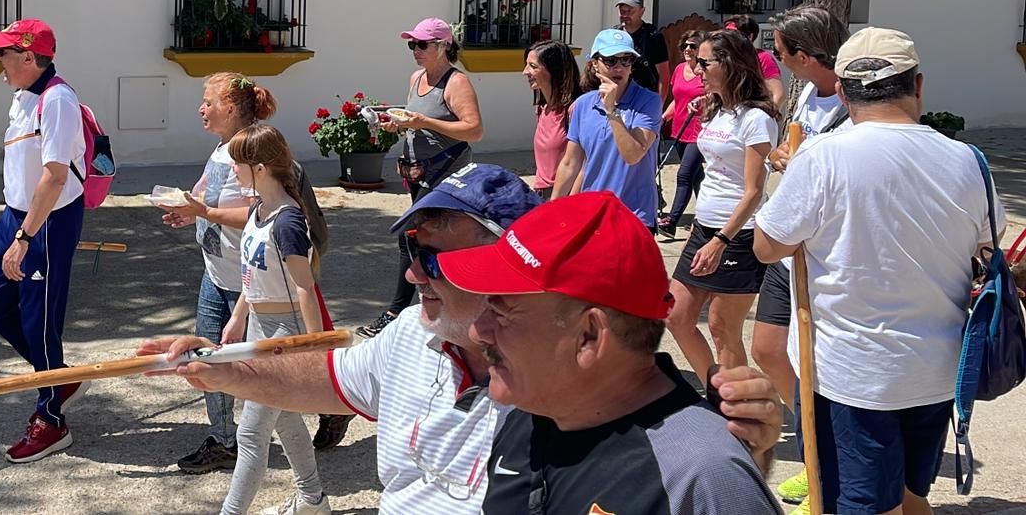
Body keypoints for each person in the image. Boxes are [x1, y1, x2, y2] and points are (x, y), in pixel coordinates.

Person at [140, 163, 785, 515]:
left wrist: (741, 465)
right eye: (413, 252)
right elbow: (333, 379)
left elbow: (692, 470)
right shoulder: (527, 415)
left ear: (588, 335)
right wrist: (214, 367)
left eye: (500, 299)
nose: (415, 274)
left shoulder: (684, 463)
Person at [754, 28, 992, 515]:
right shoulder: (970, 161)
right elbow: (987, 244)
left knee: (865, 505)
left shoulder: (821, 158)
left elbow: (766, 246)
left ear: (842, 91)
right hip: (935, 369)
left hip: (854, 375)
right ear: (918, 86)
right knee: (912, 496)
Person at [441, 192, 785, 515]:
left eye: (502, 313)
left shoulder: (698, 474)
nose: (477, 331)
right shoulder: (526, 411)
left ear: (588, 336)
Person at [154, 73, 277, 474]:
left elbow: (263, 214)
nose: (201, 108)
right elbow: (207, 196)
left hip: (250, 281)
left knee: (274, 366)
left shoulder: (254, 151)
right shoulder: (221, 148)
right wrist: (187, 210)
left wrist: (203, 212)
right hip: (216, 274)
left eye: (208, 102)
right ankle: (225, 440)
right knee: (206, 359)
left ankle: (331, 404)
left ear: (231, 107)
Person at [0, 18, 88, 463]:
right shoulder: (22, 97)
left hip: (48, 220)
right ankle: (57, 377)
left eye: (3, 52)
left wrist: (25, 237)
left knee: (39, 320)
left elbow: (55, 176)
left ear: (28, 56)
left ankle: (50, 419)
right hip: (17, 215)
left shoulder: (57, 99)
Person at [751, 5, 848, 508]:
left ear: (805, 56)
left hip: (819, 252)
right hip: (787, 247)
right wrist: (781, 158)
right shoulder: (807, 92)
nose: (775, 58)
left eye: (780, 51)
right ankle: (814, 453)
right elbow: (793, 150)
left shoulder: (854, 103)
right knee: (768, 349)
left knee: (815, 365)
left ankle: (825, 471)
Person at [218, 123, 328, 515]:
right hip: (258, 328)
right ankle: (313, 500)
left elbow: (304, 287)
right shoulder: (258, 211)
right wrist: (236, 319)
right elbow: (252, 277)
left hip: (283, 336)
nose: (232, 169)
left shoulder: (287, 222)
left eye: (237, 163)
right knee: (285, 422)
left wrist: (315, 351)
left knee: (250, 432)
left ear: (261, 168)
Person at [666, 29, 777, 387]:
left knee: (722, 327)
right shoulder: (716, 109)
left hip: (738, 235)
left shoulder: (756, 119)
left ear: (728, 65)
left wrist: (722, 241)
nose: (696, 68)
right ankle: (720, 393)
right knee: (677, 315)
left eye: (703, 62)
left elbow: (753, 191)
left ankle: (737, 413)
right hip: (705, 227)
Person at [360, 17, 483, 339]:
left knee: (419, 238)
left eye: (422, 44)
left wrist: (424, 122)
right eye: (412, 44)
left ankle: (405, 309)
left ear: (444, 46)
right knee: (417, 238)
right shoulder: (417, 78)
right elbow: (417, 121)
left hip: (444, 176)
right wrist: (398, 124)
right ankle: (430, 307)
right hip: (419, 173)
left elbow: (474, 130)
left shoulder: (456, 83)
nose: (415, 50)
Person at [550, 28, 661, 229]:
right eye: (611, 60)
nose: (619, 67)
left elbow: (633, 154)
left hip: (633, 216)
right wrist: (553, 209)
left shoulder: (648, 101)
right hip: (592, 212)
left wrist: (611, 111)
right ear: (594, 64)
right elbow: (570, 163)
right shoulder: (584, 104)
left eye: (626, 59)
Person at [658, 29, 707, 237]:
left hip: (699, 131)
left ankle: (671, 221)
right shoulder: (679, 69)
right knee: (697, 178)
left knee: (684, 174)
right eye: (685, 45)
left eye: (693, 46)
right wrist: (662, 118)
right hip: (679, 130)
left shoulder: (706, 72)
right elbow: (677, 101)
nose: (688, 49)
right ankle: (706, 218)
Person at [522, 39, 581, 200]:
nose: (525, 72)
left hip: (565, 197)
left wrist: (565, 203)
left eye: (533, 66)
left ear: (554, 70)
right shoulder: (542, 108)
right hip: (543, 195)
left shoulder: (575, 110)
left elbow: (584, 163)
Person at [726, 14, 787, 111]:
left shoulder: (762, 58)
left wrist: (767, 116)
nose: (728, 38)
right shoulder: (726, 58)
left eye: (734, 34)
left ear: (750, 36)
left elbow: (779, 94)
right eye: (727, 33)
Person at [616, 0, 670, 100]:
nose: (625, 15)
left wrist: (658, 105)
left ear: (642, 11)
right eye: (622, 11)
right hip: (618, 96)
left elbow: (664, 76)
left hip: (644, 97)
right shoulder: (614, 35)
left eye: (630, 11)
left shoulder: (653, 37)